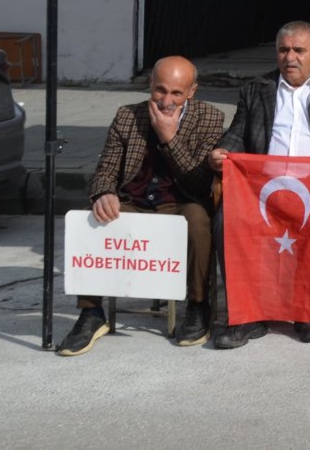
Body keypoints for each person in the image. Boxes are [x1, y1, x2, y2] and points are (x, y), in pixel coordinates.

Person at [207, 21, 310, 349]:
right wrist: (223, 151)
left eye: (299, 50)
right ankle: (247, 317)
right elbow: (238, 133)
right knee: (227, 221)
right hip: (260, 192)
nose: (290, 57)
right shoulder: (257, 89)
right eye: (284, 50)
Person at [57, 57, 223, 356]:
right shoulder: (127, 116)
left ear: (192, 92)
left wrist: (169, 137)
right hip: (135, 201)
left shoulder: (210, 118)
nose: (167, 100)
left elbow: (200, 182)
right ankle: (91, 313)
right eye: (160, 90)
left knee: (199, 220)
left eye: (177, 93)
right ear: (150, 85)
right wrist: (103, 193)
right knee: (92, 219)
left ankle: (198, 305)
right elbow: (105, 169)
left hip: (180, 201)